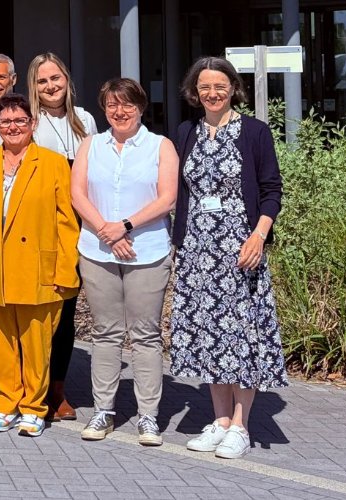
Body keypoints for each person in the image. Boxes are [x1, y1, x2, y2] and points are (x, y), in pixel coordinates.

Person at [170, 56, 286, 460]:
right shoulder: (186, 132)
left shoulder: (254, 131)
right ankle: (219, 421)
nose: (212, 93)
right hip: (198, 250)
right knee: (209, 334)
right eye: (204, 87)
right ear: (194, 92)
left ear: (233, 88)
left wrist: (259, 236)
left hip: (241, 248)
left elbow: (271, 189)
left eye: (220, 86)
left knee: (241, 334)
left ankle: (241, 425)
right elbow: (182, 191)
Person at [0, 93, 79, 437]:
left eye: (19, 120)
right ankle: (5, 403)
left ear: (32, 124)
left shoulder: (53, 163)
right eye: (5, 121)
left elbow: (67, 223)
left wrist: (65, 269)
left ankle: (33, 407)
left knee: (35, 343)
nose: (12, 127)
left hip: (37, 267)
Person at [72, 77, 178, 446]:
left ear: (141, 106)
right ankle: (104, 410)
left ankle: (148, 416)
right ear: (104, 109)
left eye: (127, 104)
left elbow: (167, 198)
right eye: (112, 105)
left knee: (146, 335)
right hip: (97, 251)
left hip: (147, 251)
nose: (120, 111)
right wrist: (107, 231)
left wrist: (125, 226)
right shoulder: (91, 145)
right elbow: (77, 194)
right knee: (105, 333)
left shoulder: (160, 146)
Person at [26, 52, 98, 422]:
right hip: (37, 227)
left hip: (76, 227)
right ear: (33, 86)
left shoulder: (85, 120)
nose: (50, 86)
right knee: (36, 310)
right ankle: (30, 386)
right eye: (42, 81)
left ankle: (57, 388)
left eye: (56, 78)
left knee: (65, 310)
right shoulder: (28, 122)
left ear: (67, 80)